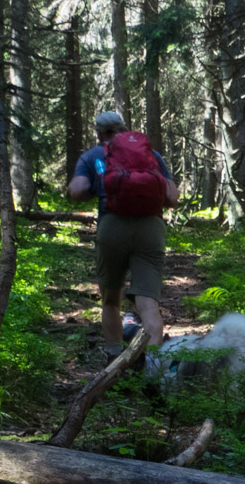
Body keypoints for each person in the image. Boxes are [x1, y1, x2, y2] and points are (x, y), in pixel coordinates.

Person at [69, 110, 179, 359]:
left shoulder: (92, 156)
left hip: (112, 226)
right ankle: (154, 367)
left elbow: (79, 189)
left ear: (98, 133)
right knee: (148, 304)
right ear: (124, 129)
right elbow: (172, 198)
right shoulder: (153, 156)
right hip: (151, 228)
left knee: (111, 300)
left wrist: (95, 187)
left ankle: (114, 358)